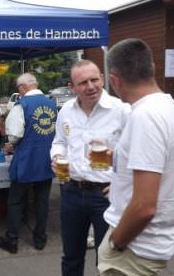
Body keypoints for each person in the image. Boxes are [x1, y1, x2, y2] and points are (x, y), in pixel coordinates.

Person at [97, 38, 174, 275]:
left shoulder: (145, 116)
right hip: (149, 244)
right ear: (152, 68)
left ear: (115, 79)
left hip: (133, 249)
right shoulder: (172, 108)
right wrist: (121, 183)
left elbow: (144, 207)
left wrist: (115, 242)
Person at [50, 60, 130, 275]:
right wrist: (57, 156)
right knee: (71, 257)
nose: (91, 86)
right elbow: (59, 141)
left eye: (94, 79)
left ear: (102, 79)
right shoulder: (66, 110)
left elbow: (136, 153)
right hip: (71, 191)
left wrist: (123, 182)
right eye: (83, 82)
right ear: (72, 87)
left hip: (106, 195)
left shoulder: (121, 110)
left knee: (106, 260)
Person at [0, 72, 57, 254]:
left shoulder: (21, 106)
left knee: (15, 201)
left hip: (26, 159)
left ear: (23, 88)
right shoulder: (52, 105)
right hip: (46, 158)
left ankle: (12, 240)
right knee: (42, 201)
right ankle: (40, 239)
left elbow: (14, 136)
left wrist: (10, 144)